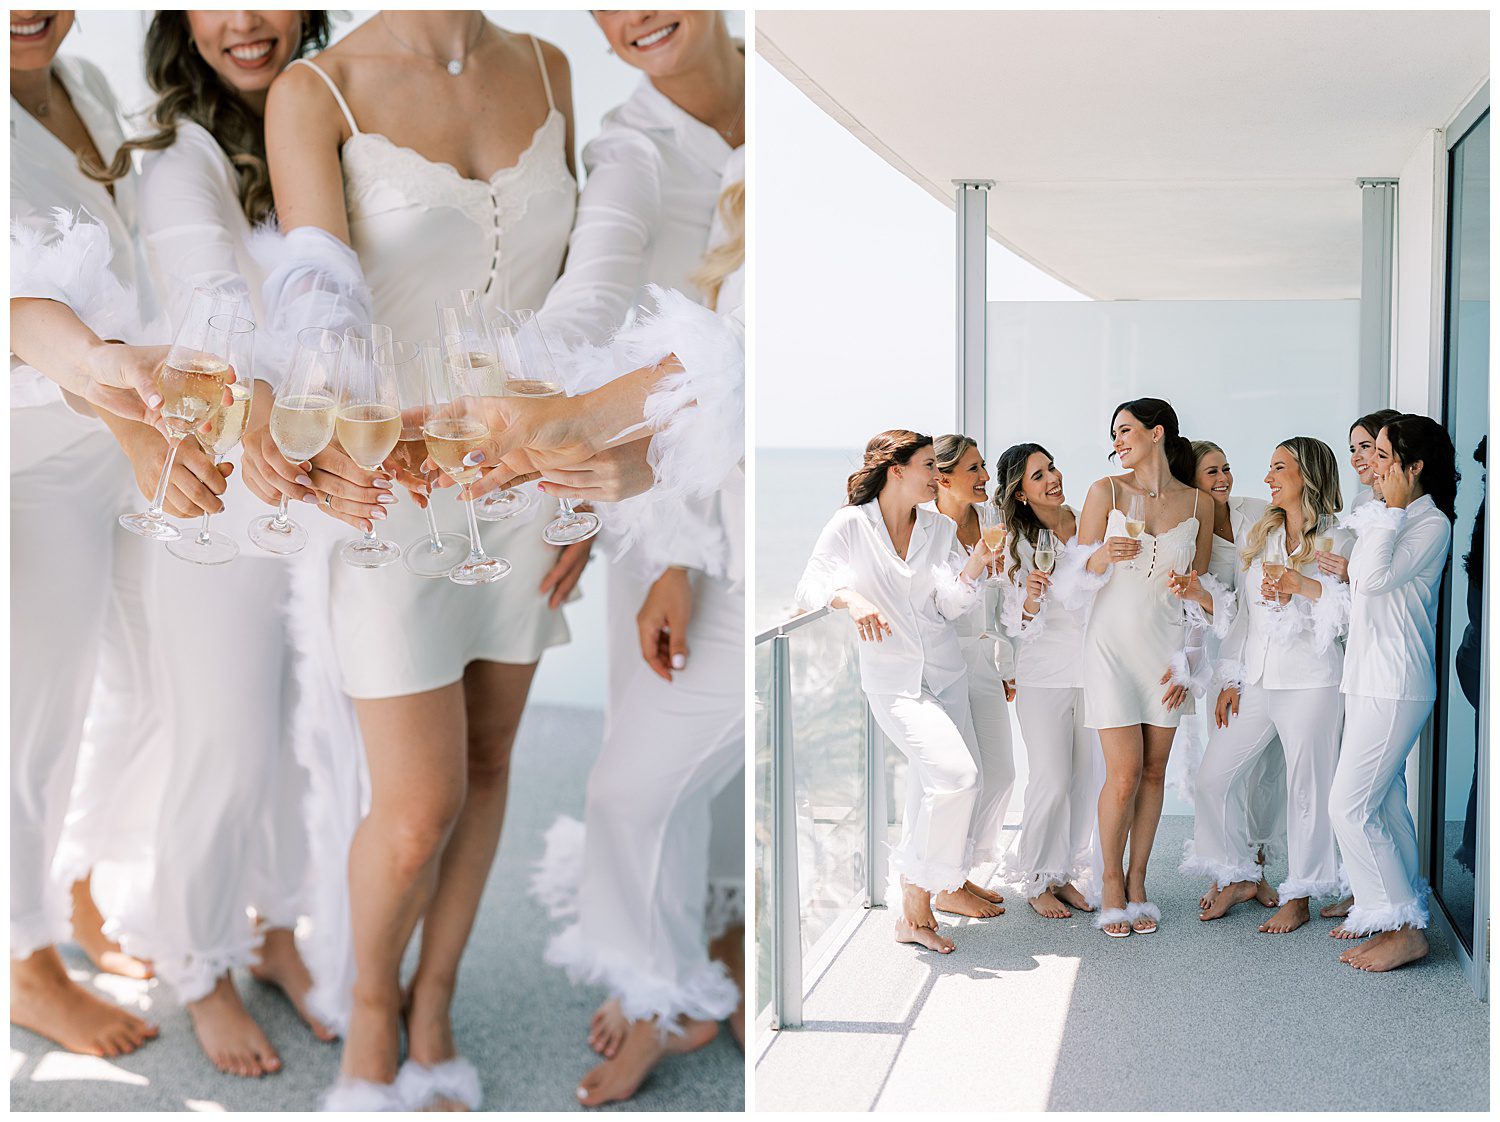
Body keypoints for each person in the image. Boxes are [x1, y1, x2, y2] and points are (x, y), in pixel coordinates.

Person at [259, 11, 585, 1108]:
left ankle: (435, 999)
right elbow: (315, 289)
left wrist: (591, 498)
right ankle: (368, 1009)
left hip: (529, 492)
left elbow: (582, 301)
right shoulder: (317, 90)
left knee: (491, 765)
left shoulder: (551, 66)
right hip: (394, 491)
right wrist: (322, 413)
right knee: (413, 815)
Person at [77, 9, 335, 1078]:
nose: (244, 18)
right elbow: (207, 294)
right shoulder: (176, 151)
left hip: (316, 483)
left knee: (294, 734)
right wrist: (265, 397)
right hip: (213, 488)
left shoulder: (330, 122)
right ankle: (199, 966)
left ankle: (275, 929)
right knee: (222, 741)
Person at [529, 14, 748, 1099]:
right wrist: (543, 413)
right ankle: (671, 969)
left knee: (661, 771)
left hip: (725, 495)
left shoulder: (789, 103)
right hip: (650, 476)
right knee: (647, 755)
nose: (631, 13)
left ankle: (701, 959)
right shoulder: (628, 143)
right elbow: (592, 285)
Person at [9, 7, 187, 1060]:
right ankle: (24, 964)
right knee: (35, 722)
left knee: (164, 685)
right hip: (25, 457)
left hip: (121, 438)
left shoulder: (84, 82)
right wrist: (100, 377)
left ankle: (77, 884)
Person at [796, 431, 994, 954]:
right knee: (958, 777)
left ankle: (932, 897)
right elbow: (809, 587)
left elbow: (949, 606)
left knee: (935, 786)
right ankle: (915, 899)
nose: (937, 475)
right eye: (929, 465)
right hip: (893, 683)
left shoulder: (938, 527)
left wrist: (976, 564)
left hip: (946, 673)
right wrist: (851, 599)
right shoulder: (851, 526)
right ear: (897, 469)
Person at [1059, 398, 1215, 937]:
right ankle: (1109, 880)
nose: (1118, 441)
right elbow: (1073, 580)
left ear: (1157, 432)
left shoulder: (1199, 503)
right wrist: (1103, 554)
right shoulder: (1105, 491)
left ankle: (1139, 879)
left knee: (1155, 772)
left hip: (1165, 652)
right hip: (1110, 648)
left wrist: (1189, 662)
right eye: (1114, 434)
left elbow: (1201, 594)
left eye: (1125, 431)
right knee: (1123, 774)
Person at [1187, 439, 1353, 933]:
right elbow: (1242, 619)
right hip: (1258, 677)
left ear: (1307, 475)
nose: (1268, 479)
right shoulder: (1261, 535)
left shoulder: (1341, 541)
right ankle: (1237, 873)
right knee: (1212, 779)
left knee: (1308, 789)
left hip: (1314, 680)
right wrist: (1231, 679)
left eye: (1279, 469)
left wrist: (1301, 585)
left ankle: (1300, 894)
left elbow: (1348, 618)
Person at [1330, 414, 1457, 972]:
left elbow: (1375, 578)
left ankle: (1403, 928)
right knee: (1385, 807)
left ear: (1414, 467)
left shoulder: (1428, 523)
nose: (1372, 467)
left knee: (1348, 807)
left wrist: (1393, 509)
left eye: (1383, 457)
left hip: (1396, 682)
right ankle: (1405, 913)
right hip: (1368, 679)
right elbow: (1362, 582)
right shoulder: (1389, 517)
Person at [993, 443, 1102, 918]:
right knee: (1052, 779)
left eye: (1052, 467)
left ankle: (1062, 874)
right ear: (1020, 493)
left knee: (1086, 781)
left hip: (1095, 670)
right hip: (1043, 676)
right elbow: (1011, 623)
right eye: (1038, 476)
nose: (1053, 478)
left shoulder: (1087, 523)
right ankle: (1035, 876)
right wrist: (1032, 598)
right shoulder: (1015, 544)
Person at [1179, 439, 1282, 914]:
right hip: (1226, 656)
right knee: (1226, 768)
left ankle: (1253, 870)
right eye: (1210, 473)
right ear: (1191, 482)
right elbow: (1196, 608)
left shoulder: (1258, 510)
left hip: (1275, 653)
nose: (1222, 479)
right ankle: (1230, 872)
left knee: (1268, 771)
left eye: (1226, 469)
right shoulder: (1186, 528)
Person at [932, 434, 1014, 916]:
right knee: (966, 776)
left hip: (985, 657)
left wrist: (1006, 662)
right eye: (974, 470)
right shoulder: (926, 531)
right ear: (941, 479)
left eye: (984, 466)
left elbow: (1000, 599)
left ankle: (959, 872)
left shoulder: (990, 522)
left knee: (1001, 773)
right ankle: (946, 881)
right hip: (944, 662)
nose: (986, 477)